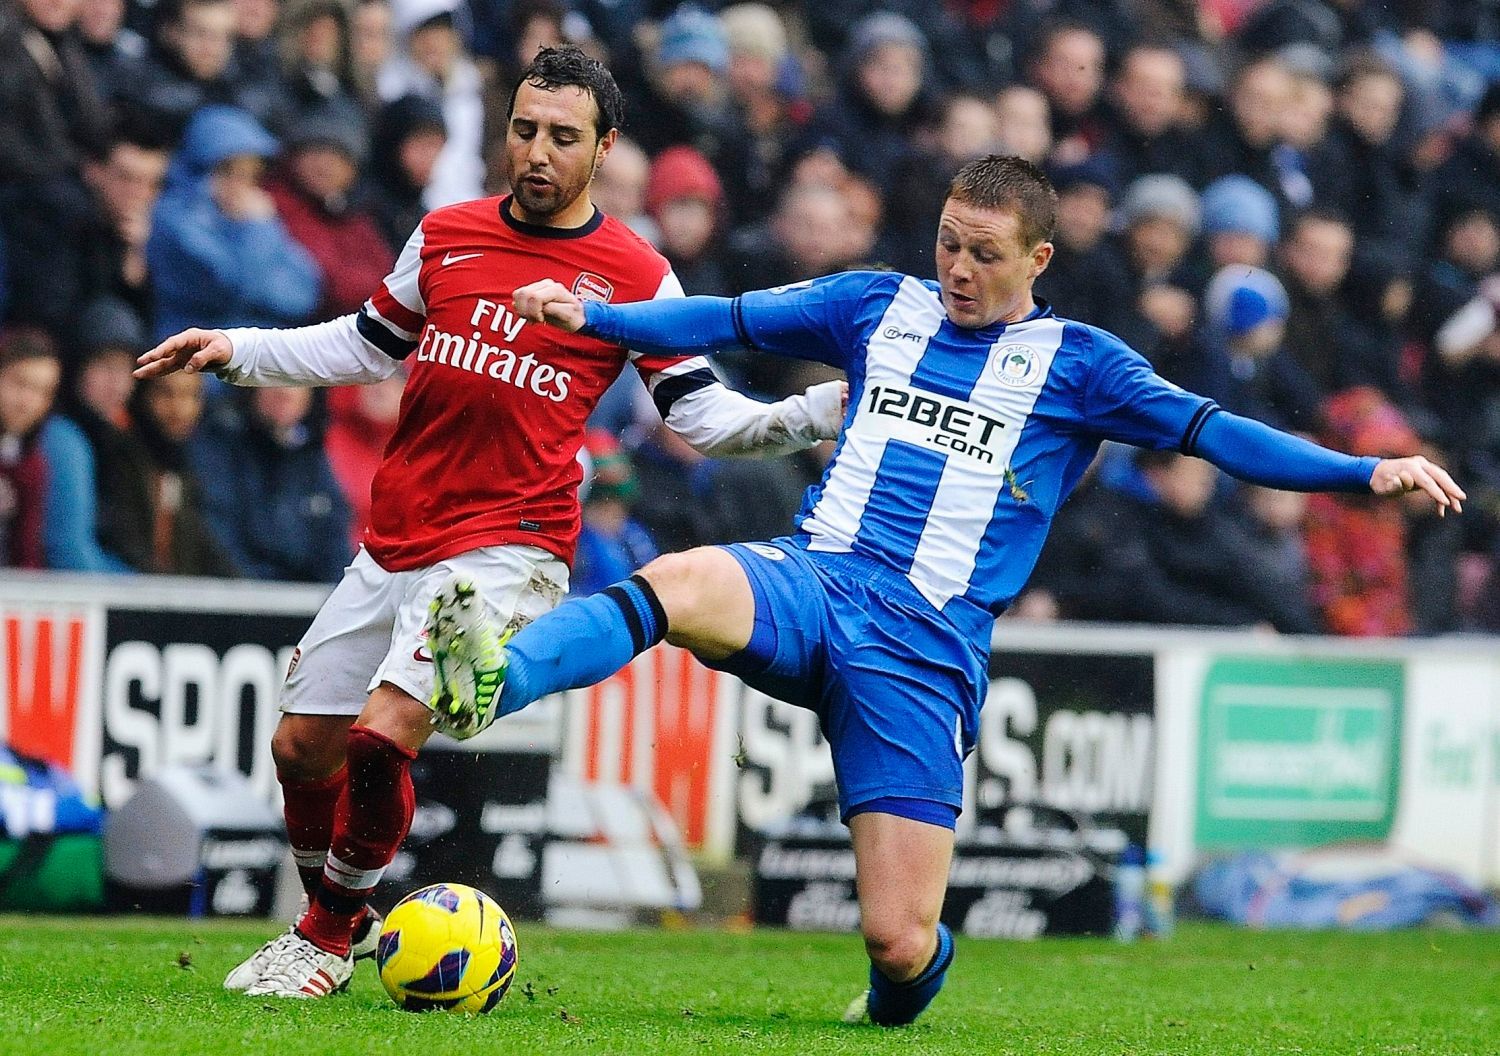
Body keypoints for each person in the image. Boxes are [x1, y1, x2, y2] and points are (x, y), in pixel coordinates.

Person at [466, 154, 1463, 1028]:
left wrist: (1358, 471)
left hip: (925, 652)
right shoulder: (876, 304)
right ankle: (492, 678)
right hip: (818, 580)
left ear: (1037, 260)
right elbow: (727, 315)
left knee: (899, 941)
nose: (958, 268)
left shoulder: (1081, 365)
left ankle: (902, 990)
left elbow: (1215, 433)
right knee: (678, 580)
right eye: (948, 243)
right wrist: (596, 316)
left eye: (985, 253)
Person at [134, 45, 844, 998]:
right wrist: (236, 349)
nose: (538, 153)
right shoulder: (448, 233)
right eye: (523, 130)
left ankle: (324, 934)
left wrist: (816, 412)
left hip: (512, 543)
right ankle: (335, 929)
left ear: (603, 148)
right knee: (303, 747)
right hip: (398, 533)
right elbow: (364, 344)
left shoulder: (637, 274)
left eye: (562, 136)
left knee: (385, 737)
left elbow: (705, 419)